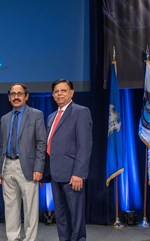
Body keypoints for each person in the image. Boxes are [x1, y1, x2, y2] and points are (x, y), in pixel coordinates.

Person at [0, 83, 46, 241]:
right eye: (13, 94)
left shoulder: (36, 114)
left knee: (30, 208)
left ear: (26, 96)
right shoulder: (4, 119)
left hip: (28, 167)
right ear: (9, 97)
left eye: (19, 94)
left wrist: (39, 167)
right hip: (7, 166)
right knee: (11, 207)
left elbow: (41, 143)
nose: (16, 97)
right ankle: (13, 238)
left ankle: (30, 239)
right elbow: (2, 145)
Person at [46, 79, 92, 241]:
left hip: (73, 176)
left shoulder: (80, 111)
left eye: (63, 90)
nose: (60, 94)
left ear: (71, 93)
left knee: (76, 218)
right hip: (55, 174)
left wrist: (79, 173)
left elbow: (84, 146)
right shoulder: (51, 117)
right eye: (56, 91)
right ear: (52, 95)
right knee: (61, 217)